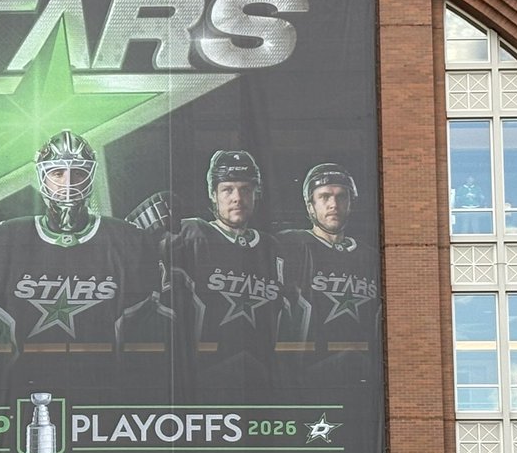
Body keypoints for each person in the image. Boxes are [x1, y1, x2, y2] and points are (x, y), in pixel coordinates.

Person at [0, 130, 163, 404]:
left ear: (91, 176)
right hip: (18, 394)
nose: (68, 183)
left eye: (78, 173)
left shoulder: (127, 241)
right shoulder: (3, 240)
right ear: (42, 177)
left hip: (104, 396)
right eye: (58, 173)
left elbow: (153, 334)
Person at [161, 149, 292, 400]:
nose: (237, 198)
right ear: (213, 194)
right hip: (205, 380)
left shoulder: (271, 247)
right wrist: (140, 235)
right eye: (227, 190)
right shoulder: (192, 234)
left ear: (256, 193)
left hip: (261, 379)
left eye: (245, 189)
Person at [277, 162, 380, 385]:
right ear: (310, 205)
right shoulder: (289, 245)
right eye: (324, 196)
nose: (334, 204)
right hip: (305, 376)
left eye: (341, 196)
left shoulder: (370, 256)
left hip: (362, 375)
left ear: (350, 204)